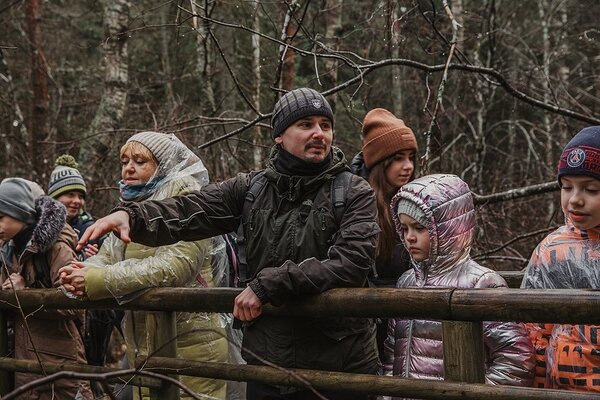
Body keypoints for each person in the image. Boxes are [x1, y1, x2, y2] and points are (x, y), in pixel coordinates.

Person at [69, 88, 381, 400]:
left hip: (340, 368)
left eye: (325, 125)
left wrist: (268, 284)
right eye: (306, 125)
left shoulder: (354, 191)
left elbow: (351, 263)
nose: (318, 134)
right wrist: (133, 217)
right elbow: (189, 209)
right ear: (279, 136)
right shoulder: (252, 189)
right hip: (270, 369)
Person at [58, 132, 230, 399]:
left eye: (139, 161)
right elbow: (110, 255)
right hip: (145, 342)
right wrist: (80, 271)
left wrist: (97, 279)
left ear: (163, 164)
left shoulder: (186, 194)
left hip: (192, 343)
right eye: (124, 161)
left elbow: (175, 266)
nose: (128, 168)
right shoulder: (132, 203)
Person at [383, 174, 535, 397]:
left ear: (448, 227)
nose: (410, 238)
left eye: (419, 228)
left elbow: (516, 357)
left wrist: (477, 394)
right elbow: (391, 352)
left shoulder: (481, 283)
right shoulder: (406, 282)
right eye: (404, 229)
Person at [521, 125, 600, 392]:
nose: (574, 200)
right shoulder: (553, 250)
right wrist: (537, 390)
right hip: (561, 389)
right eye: (567, 187)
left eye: (591, 189)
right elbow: (535, 332)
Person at [0, 178, 92, 399]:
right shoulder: (9, 248)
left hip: (60, 359)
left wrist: (26, 293)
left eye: (0, 217)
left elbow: (74, 302)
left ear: (20, 212)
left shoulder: (56, 246)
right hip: (25, 361)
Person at [351, 108, 418, 362]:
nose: (408, 166)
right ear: (380, 162)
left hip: (409, 327)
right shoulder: (358, 205)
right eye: (399, 158)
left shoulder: (414, 202)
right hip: (371, 331)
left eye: (411, 157)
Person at [48, 154, 102, 259]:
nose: (77, 201)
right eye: (70, 194)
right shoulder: (38, 228)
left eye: (81, 196)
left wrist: (98, 259)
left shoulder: (90, 230)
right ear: (54, 198)